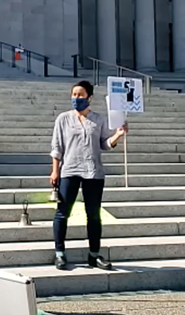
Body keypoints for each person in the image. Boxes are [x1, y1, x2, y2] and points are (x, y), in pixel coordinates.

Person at [50, 80, 128, 271]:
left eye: (80, 95)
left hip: (93, 172)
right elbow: (56, 147)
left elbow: (104, 144)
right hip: (69, 170)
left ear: (89, 97)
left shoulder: (99, 120)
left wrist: (118, 135)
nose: (76, 98)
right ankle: (59, 253)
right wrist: (55, 170)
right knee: (62, 213)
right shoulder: (63, 119)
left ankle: (94, 255)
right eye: (74, 94)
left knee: (93, 215)